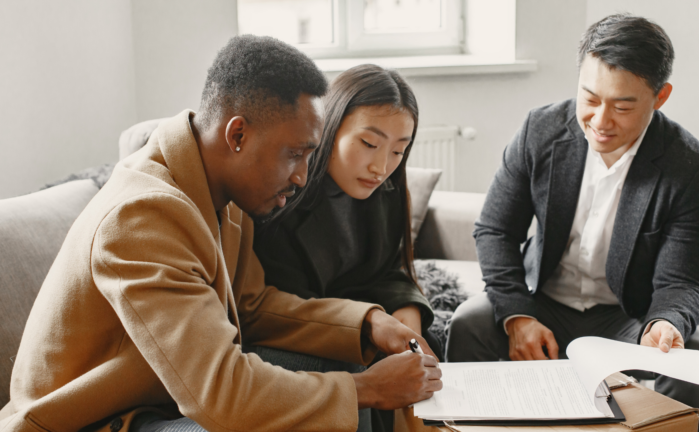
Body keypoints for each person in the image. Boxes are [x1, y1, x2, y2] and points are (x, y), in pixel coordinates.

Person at [1, 36, 441, 432]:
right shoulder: (142, 217)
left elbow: (251, 307)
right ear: (237, 135)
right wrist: (366, 389)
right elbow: (222, 398)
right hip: (92, 420)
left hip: (162, 395)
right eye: (294, 155)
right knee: (330, 401)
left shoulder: (223, 194)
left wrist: (367, 324)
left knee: (342, 360)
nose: (304, 177)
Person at [446, 14, 699, 432]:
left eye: (623, 106)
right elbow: (496, 229)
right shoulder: (540, 130)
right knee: (467, 324)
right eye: (590, 98)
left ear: (660, 97)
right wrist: (517, 316)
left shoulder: (689, 166)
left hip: (631, 314)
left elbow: (683, 280)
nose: (601, 121)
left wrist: (665, 323)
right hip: (542, 300)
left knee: (690, 355)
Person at [252, 64, 437, 432]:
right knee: (353, 365)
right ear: (330, 128)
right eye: (369, 144)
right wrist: (368, 324)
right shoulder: (281, 195)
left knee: (425, 356)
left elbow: (385, 269)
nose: (381, 166)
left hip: (356, 322)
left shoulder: (386, 189)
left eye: (399, 151)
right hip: (293, 333)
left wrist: (406, 309)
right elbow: (280, 310)